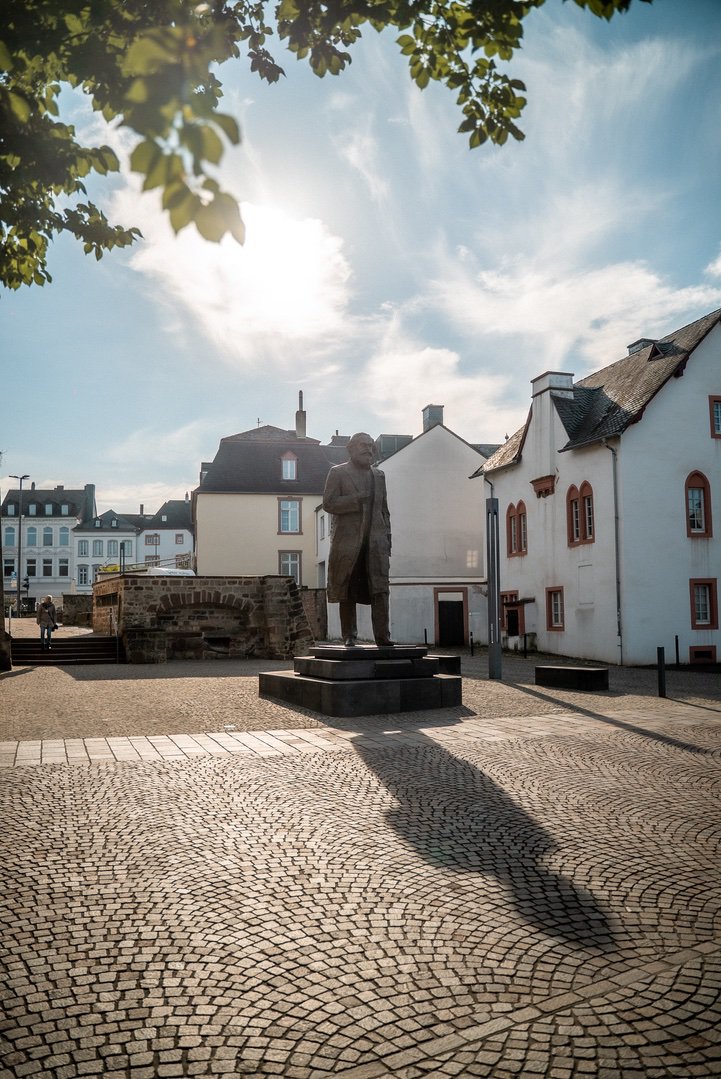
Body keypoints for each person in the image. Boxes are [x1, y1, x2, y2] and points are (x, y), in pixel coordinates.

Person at [323, 432, 393, 647]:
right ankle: (349, 636)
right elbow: (328, 503)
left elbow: (384, 510)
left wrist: (387, 540)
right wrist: (355, 500)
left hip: (375, 543)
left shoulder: (379, 476)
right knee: (348, 590)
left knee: (380, 590)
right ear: (351, 448)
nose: (369, 449)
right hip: (348, 543)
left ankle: (383, 637)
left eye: (371, 446)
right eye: (364, 445)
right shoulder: (338, 473)